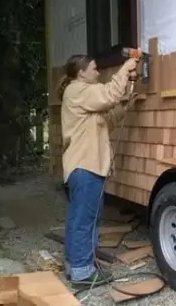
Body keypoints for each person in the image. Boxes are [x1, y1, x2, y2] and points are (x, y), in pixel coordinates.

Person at [58, 53, 139, 285]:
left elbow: (107, 120)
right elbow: (108, 94)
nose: (97, 72)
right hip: (86, 167)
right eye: (93, 69)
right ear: (81, 73)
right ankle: (83, 272)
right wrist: (126, 68)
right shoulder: (77, 90)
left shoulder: (83, 97)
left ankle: (76, 265)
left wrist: (126, 104)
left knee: (79, 219)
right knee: (86, 220)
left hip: (84, 167)